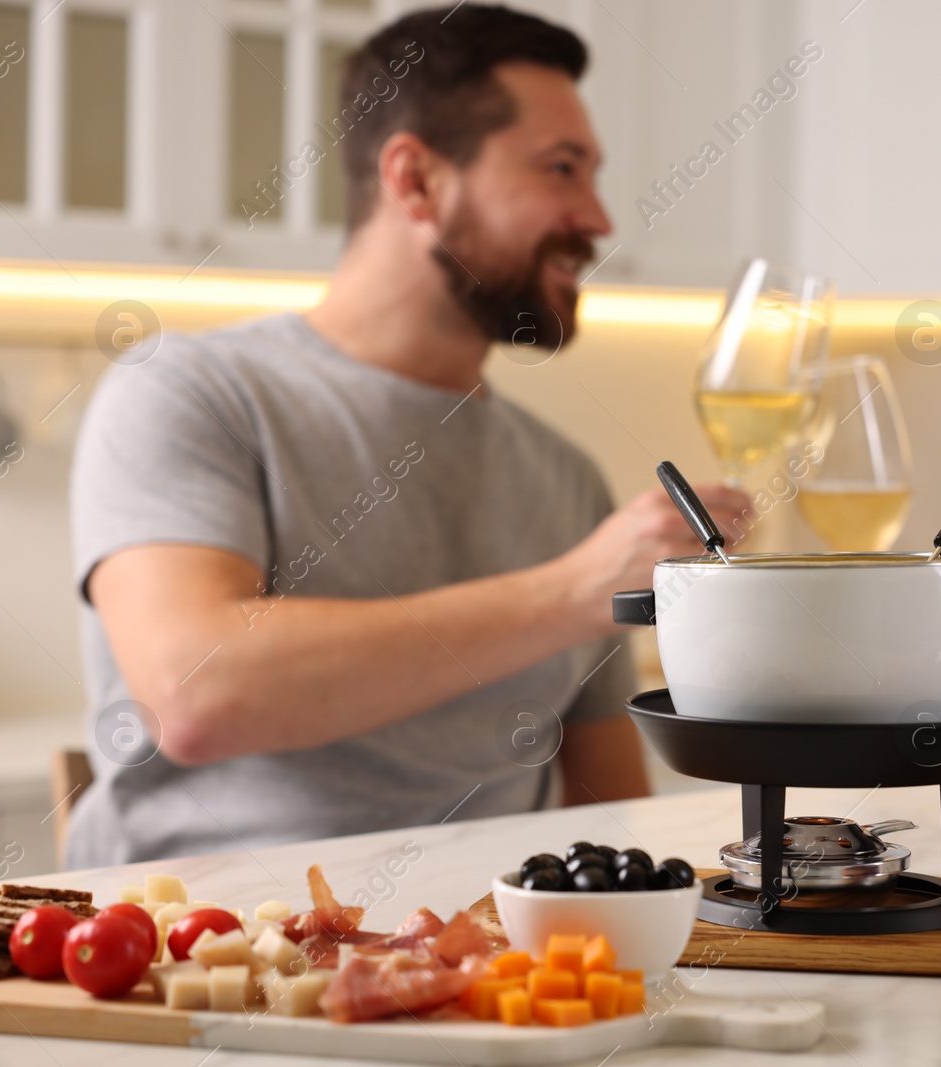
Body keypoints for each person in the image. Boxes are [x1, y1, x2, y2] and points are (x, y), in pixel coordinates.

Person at [66, 4, 746, 866]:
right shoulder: (190, 392)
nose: (599, 218)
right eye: (561, 169)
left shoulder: (567, 478)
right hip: (205, 953)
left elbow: (610, 825)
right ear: (417, 181)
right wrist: (568, 591)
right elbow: (193, 695)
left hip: (488, 970)